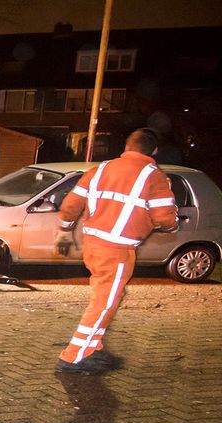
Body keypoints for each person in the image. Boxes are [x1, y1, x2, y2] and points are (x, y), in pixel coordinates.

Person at [54, 128, 179, 375]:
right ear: (154, 151)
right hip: (117, 249)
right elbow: (164, 217)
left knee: (108, 297)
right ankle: (73, 356)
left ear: (127, 146)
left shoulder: (99, 169)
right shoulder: (154, 177)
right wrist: (171, 224)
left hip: (93, 243)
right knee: (105, 302)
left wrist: (65, 230)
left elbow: (71, 204)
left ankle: (92, 347)